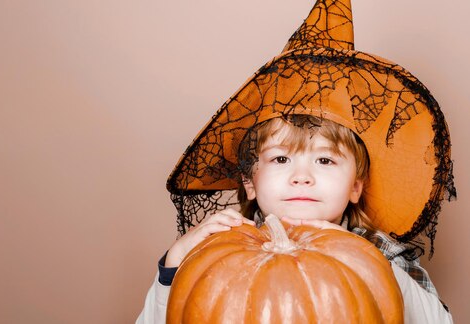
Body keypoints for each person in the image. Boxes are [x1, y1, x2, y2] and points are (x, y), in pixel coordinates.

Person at [137, 0, 456, 323]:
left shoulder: (380, 253)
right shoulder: (222, 248)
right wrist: (174, 267)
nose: (302, 176)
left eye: (325, 161)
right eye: (281, 158)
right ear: (249, 181)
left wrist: (368, 264)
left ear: (356, 186)